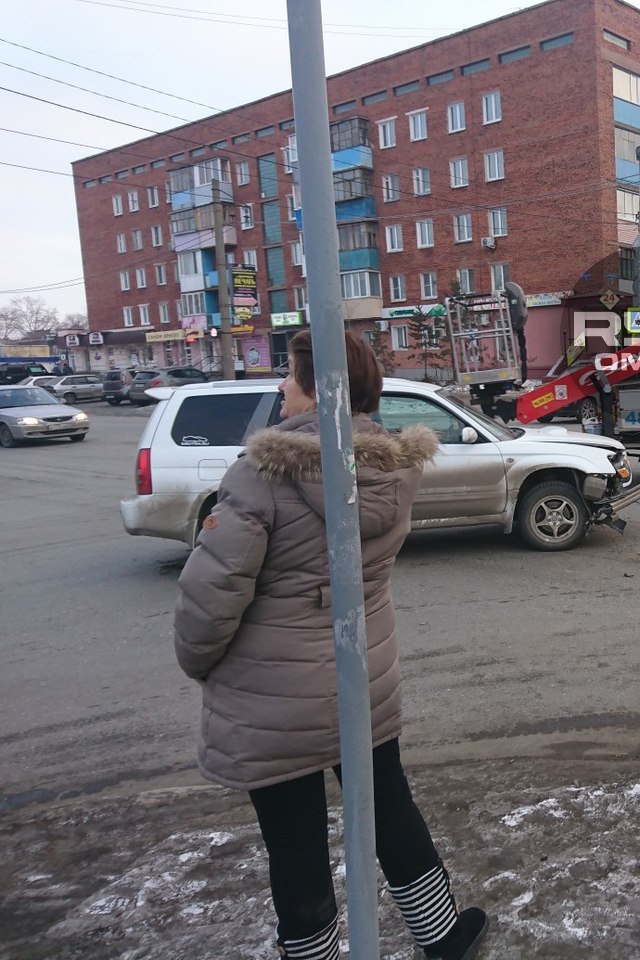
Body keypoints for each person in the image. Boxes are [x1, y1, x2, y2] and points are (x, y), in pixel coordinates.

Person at [173, 330, 488, 960]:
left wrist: (200, 662)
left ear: (321, 388)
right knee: (388, 806)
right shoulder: (392, 469)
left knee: (294, 841)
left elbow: (211, 598)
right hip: (362, 675)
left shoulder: (261, 474)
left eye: (289, 376)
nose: (282, 387)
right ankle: (441, 932)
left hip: (273, 693)